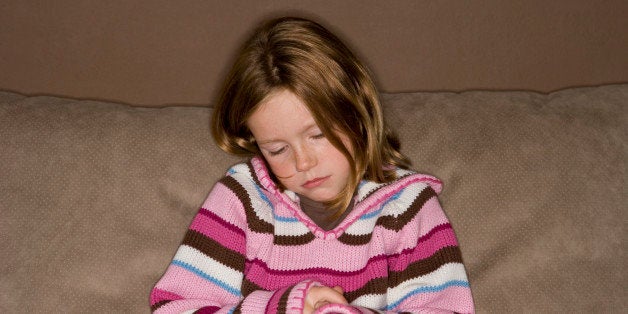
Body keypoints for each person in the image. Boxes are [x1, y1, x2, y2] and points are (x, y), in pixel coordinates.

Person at [150, 17, 474, 313]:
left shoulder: (408, 208)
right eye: (277, 150)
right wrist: (282, 308)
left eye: (318, 134)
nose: (303, 162)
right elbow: (174, 308)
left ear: (356, 111)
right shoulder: (242, 200)